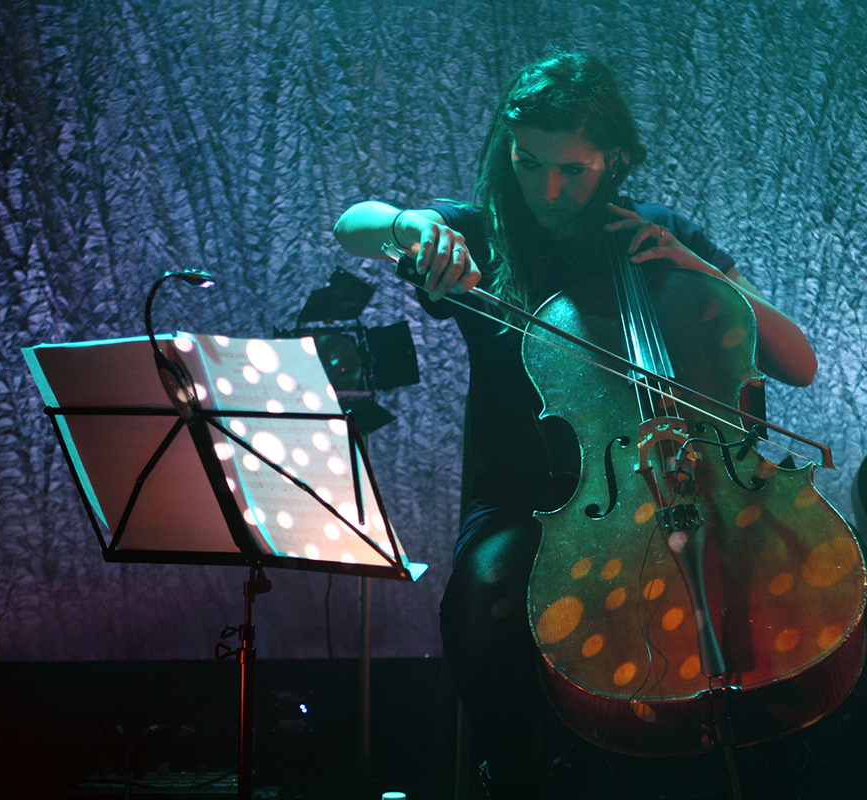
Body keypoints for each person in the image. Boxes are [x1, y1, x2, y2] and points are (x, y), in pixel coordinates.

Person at [334, 49, 817, 799]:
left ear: (613, 160)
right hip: (526, 500)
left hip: (668, 486)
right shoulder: (479, 239)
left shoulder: (656, 234)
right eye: (529, 164)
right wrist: (409, 225)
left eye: (573, 170)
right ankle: (516, 773)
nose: (547, 191)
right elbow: (352, 223)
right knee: (487, 593)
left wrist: (704, 269)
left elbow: (798, 363)